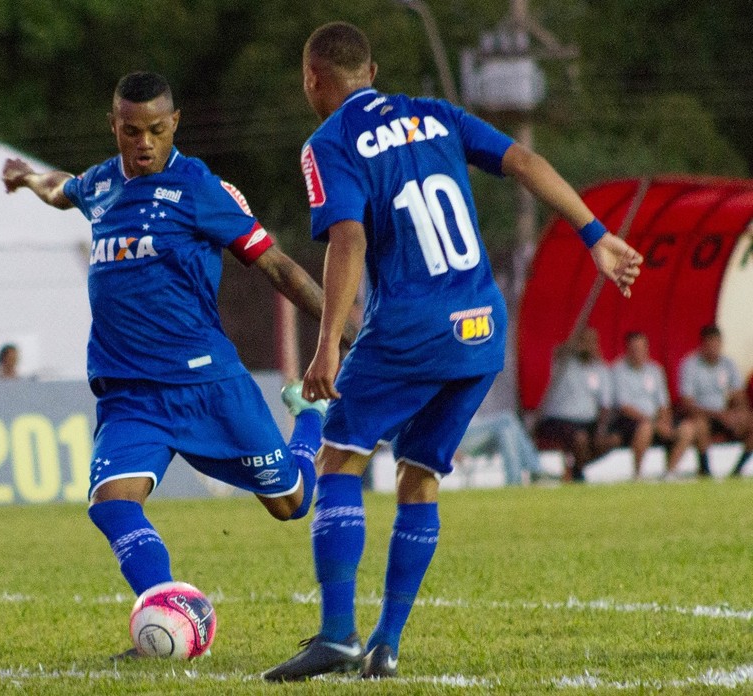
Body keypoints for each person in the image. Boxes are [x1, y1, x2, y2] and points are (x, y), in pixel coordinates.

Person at [263, 22, 642, 682]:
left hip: (411, 326)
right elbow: (522, 161)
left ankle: (337, 634)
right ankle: (386, 643)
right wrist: (595, 234)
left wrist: (327, 345)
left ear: (311, 81)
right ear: (373, 71)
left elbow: (346, 240)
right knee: (420, 475)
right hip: (480, 326)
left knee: (340, 460)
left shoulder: (328, 143)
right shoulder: (436, 115)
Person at [1, 71, 356, 657]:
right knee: (111, 504)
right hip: (130, 393)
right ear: (113, 127)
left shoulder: (200, 190)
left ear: (175, 125)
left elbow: (279, 269)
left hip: (207, 385)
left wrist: (344, 332)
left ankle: (308, 416)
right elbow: (63, 187)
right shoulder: (102, 185)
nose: (143, 143)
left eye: (156, 131)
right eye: (131, 131)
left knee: (290, 502)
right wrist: (27, 178)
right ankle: (169, 616)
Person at [609, 332, 701, 479]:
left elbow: (663, 403)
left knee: (688, 428)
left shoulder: (655, 370)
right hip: (630, 420)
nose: (638, 353)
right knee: (645, 428)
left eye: (641, 348)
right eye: (634, 349)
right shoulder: (617, 370)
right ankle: (637, 474)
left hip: (656, 420)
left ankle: (669, 473)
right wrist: (655, 423)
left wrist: (665, 421)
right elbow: (624, 407)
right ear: (627, 350)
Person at [534, 327, 619, 482]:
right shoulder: (565, 363)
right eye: (584, 341)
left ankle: (574, 470)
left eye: (592, 342)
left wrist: (601, 428)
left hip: (588, 421)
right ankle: (578, 475)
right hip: (561, 419)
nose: (588, 345)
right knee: (580, 439)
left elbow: (605, 405)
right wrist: (574, 345)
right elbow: (558, 351)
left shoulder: (601, 369)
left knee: (612, 439)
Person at [677, 324, 753, 477]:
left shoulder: (728, 364)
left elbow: (739, 394)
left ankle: (738, 470)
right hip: (704, 415)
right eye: (710, 345)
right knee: (699, 424)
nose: (714, 349)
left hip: (725, 414)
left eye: (717, 344)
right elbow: (687, 403)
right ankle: (705, 469)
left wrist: (738, 413)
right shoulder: (690, 365)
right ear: (702, 345)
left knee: (749, 420)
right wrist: (720, 415)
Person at [456, 411, 546, 486]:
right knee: (507, 420)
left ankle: (518, 481)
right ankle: (533, 471)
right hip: (460, 438)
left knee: (507, 428)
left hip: (475, 433)